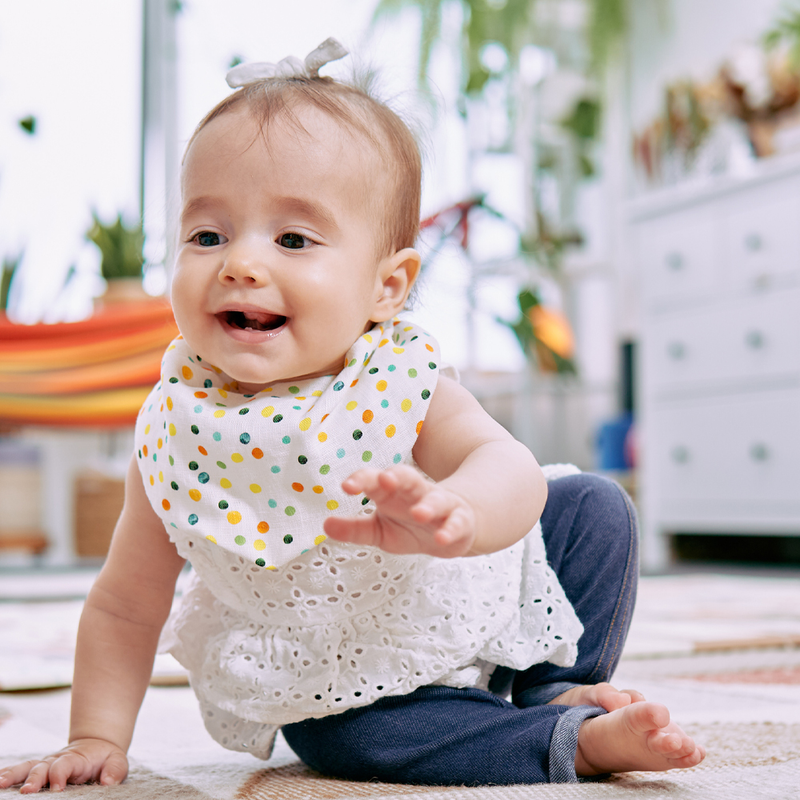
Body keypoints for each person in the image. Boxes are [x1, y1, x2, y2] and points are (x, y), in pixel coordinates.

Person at [0, 39, 704, 793]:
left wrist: (461, 513)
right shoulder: (180, 434)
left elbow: (511, 470)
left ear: (387, 287)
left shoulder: (400, 380)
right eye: (207, 235)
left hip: (469, 586)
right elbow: (123, 607)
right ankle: (568, 743)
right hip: (341, 676)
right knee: (354, 744)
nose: (239, 262)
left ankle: (558, 687)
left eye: (293, 239)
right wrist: (95, 735)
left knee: (594, 506)